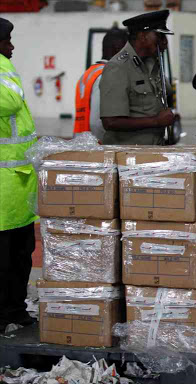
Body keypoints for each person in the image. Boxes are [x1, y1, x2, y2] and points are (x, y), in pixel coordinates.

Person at [0, 17, 38, 333]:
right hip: (3, 190)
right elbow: (10, 102)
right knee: (3, 259)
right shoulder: (3, 69)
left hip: (18, 185)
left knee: (21, 255)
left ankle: (16, 309)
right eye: (5, 43)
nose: (11, 48)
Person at [99, 10, 175, 145]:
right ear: (143, 36)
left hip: (154, 150)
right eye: (160, 36)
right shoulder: (118, 67)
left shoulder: (153, 65)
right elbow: (110, 121)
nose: (164, 43)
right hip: (128, 157)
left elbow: (167, 93)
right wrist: (156, 121)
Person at [74, 27, 128, 142]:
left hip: (82, 143)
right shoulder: (106, 75)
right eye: (127, 50)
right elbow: (96, 122)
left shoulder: (89, 73)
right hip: (96, 147)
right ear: (118, 48)